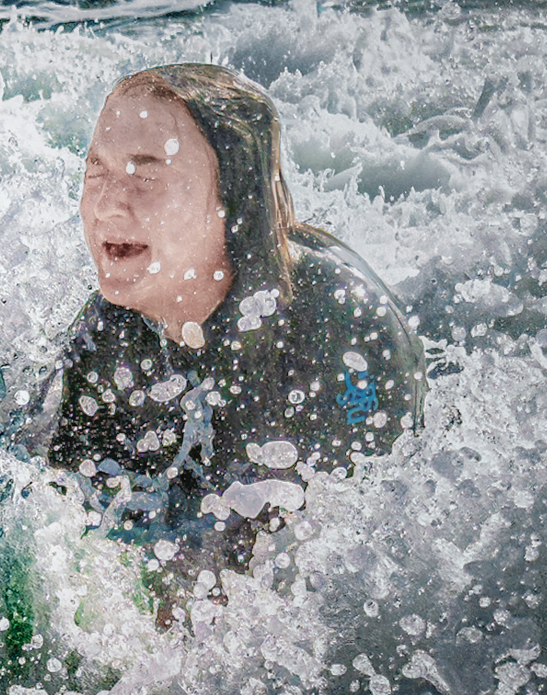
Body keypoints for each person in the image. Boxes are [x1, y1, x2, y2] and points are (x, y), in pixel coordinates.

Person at [32, 63, 425, 619]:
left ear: (232, 197)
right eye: (96, 171)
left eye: (144, 176)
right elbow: (55, 523)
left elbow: (369, 553)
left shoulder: (342, 331)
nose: (107, 205)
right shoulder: (109, 331)